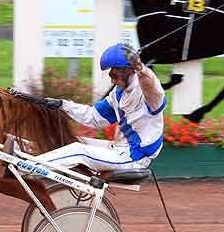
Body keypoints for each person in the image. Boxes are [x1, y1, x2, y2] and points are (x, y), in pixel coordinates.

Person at [33, 43, 167, 172]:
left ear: (128, 70)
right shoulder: (118, 93)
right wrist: (63, 105)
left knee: (79, 151)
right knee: (72, 142)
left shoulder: (150, 95)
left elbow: (151, 84)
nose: (112, 81)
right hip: (118, 149)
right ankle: (26, 155)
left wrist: (140, 67)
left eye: (114, 76)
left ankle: (23, 168)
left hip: (134, 158)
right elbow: (94, 117)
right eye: (110, 76)